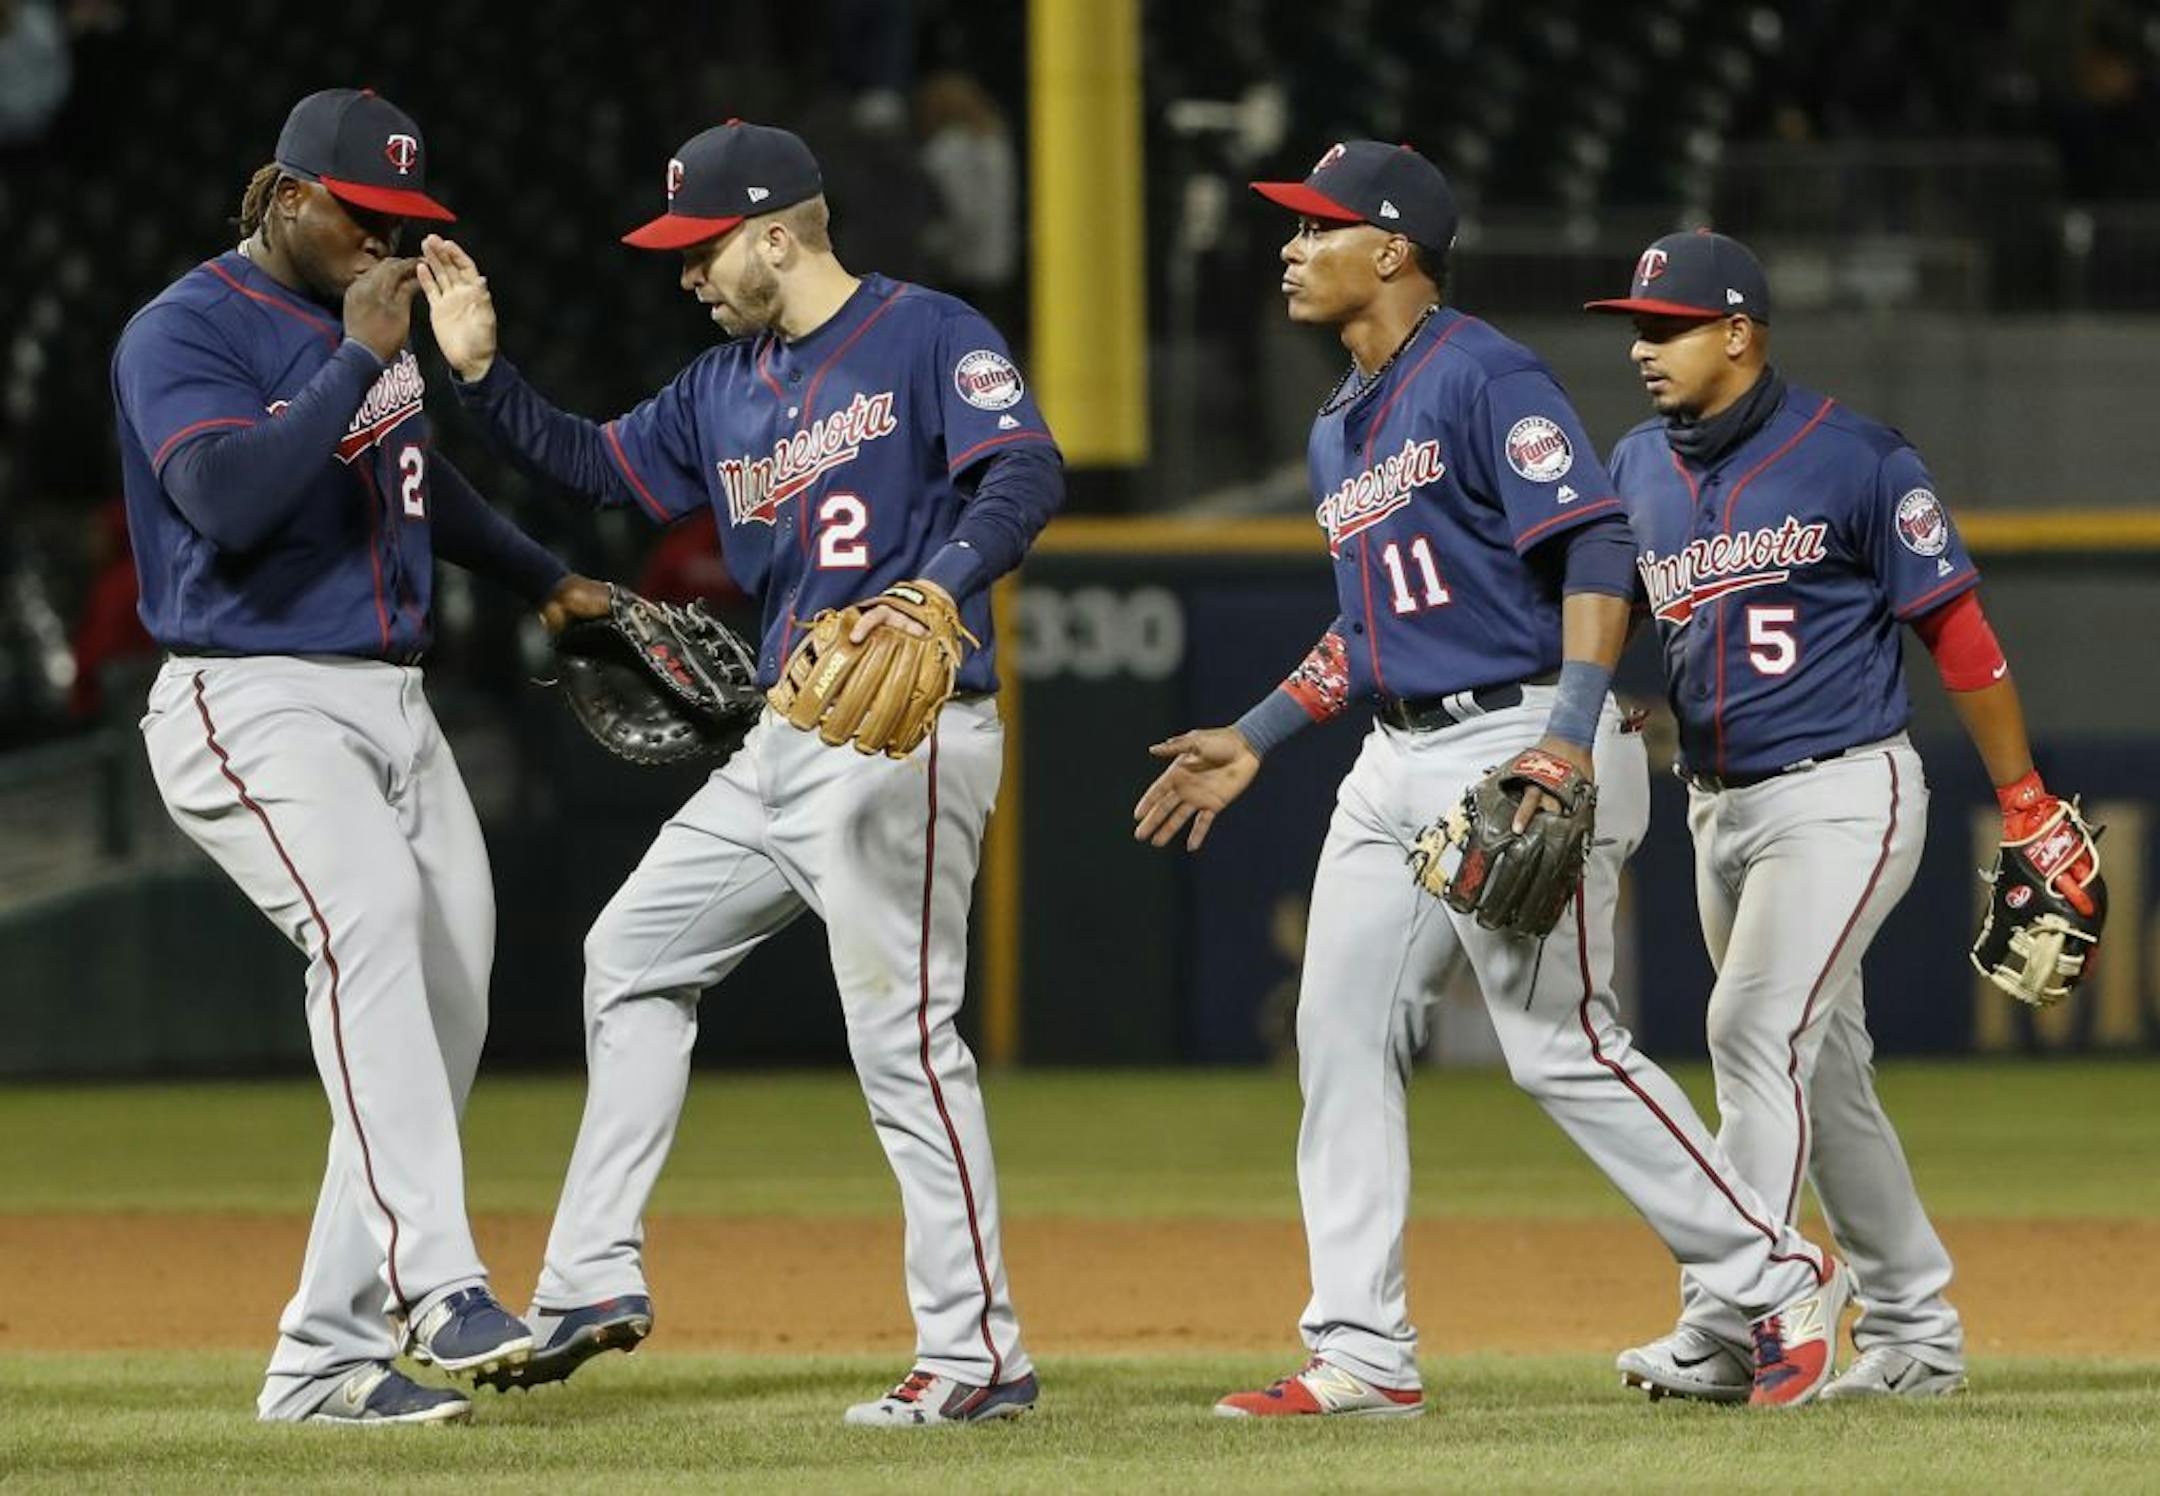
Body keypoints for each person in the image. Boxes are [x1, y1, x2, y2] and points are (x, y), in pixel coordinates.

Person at [1134, 141, 1848, 1418]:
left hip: (1519, 738)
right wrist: (1256, 732)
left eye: (1316, 229)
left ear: (1393, 250)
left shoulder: (1481, 375)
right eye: (1290, 231)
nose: (1289, 251)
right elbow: (1366, 631)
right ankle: (1362, 1349)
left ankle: (1781, 1271)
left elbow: (1596, 547)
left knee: (1558, 1046)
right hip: (1392, 755)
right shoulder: (1334, 429)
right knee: (1338, 1030)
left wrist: (1568, 734)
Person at [418, 118, 1063, 1427]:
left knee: (904, 1037)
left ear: (778, 234)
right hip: (783, 731)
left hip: (908, 730)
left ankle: (977, 1351)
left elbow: (1024, 468)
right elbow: (600, 469)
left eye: (702, 247)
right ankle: (593, 1276)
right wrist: (484, 379)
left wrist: (931, 592)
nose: (687, 275)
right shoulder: (723, 387)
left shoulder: (929, 333)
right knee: (633, 955)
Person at [111, 88, 608, 1427]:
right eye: (361, 212)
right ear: (283, 194)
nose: (384, 238)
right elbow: (221, 498)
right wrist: (354, 357)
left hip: (396, 701)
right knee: (373, 927)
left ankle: (323, 1363)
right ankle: (440, 1282)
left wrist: (552, 582)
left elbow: (418, 487)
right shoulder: (185, 329)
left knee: (448, 1000)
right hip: (249, 692)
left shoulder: (365, 339)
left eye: (405, 219)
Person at [1587, 230, 2098, 1401]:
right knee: (1827, 1071)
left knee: (1749, 1030)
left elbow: (1958, 632)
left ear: (1740, 333)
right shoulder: (1635, 464)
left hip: (1844, 791)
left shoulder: (1858, 456)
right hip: (1716, 802)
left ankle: (1737, 1309)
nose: (1642, 346)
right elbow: (1619, 628)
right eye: (1637, 325)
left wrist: (2024, 803)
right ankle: (1915, 1325)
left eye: (1667, 327)